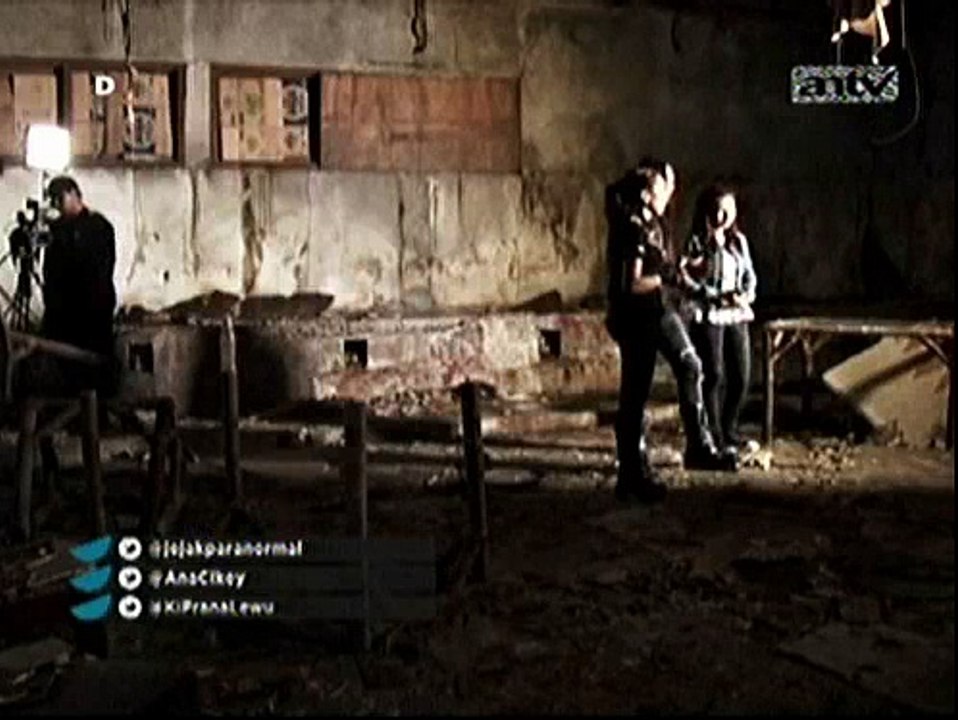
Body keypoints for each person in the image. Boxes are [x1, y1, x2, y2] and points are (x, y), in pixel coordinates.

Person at [605, 159, 734, 505]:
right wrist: (666, 278)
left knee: (690, 365)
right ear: (648, 192)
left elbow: (664, 267)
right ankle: (631, 474)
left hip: (659, 310)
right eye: (666, 185)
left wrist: (687, 276)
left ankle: (699, 447)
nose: (671, 191)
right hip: (636, 317)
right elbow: (631, 283)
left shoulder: (656, 223)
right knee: (635, 395)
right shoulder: (632, 227)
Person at [681, 184, 757, 457]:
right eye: (717, 210)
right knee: (713, 374)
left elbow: (749, 275)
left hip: (736, 312)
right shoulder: (697, 243)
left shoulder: (739, 242)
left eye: (728, 210)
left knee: (741, 376)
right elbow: (685, 278)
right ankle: (713, 435)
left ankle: (729, 428)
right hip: (709, 313)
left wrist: (745, 295)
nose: (722, 217)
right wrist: (711, 295)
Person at [39, 175, 118, 396]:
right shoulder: (57, 230)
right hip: (61, 314)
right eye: (53, 200)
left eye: (60, 198)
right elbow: (50, 271)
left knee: (92, 370)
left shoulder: (98, 227)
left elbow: (99, 270)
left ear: (74, 194)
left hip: (91, 312)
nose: (57, 205)